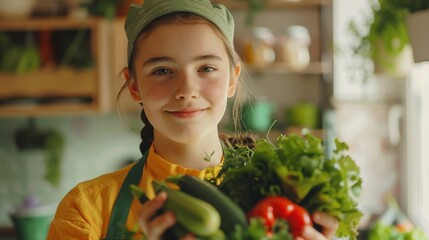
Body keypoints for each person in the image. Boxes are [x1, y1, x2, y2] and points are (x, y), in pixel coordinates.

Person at [47, 0, 339, 239]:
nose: (186, 90)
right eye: (162, 70)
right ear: (134, 85)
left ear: (231, 80)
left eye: (207, 68)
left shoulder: (286, 199)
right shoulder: (85, 210)